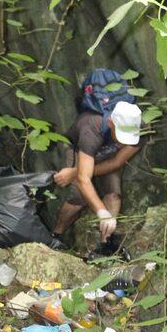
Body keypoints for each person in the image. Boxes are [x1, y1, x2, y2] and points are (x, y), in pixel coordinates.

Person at [52, 69, 142, 254]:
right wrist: (101, 212)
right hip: (81, 149)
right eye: (122, 135)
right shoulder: (90, 126)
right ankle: (56, 236)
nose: (126, 142)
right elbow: (84, 180)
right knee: (79, 197)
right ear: (111, 122)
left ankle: (106, 244)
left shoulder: (140, 129)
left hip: (108, 153)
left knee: (113, 195)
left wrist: (74, 173)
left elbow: (117, 162)